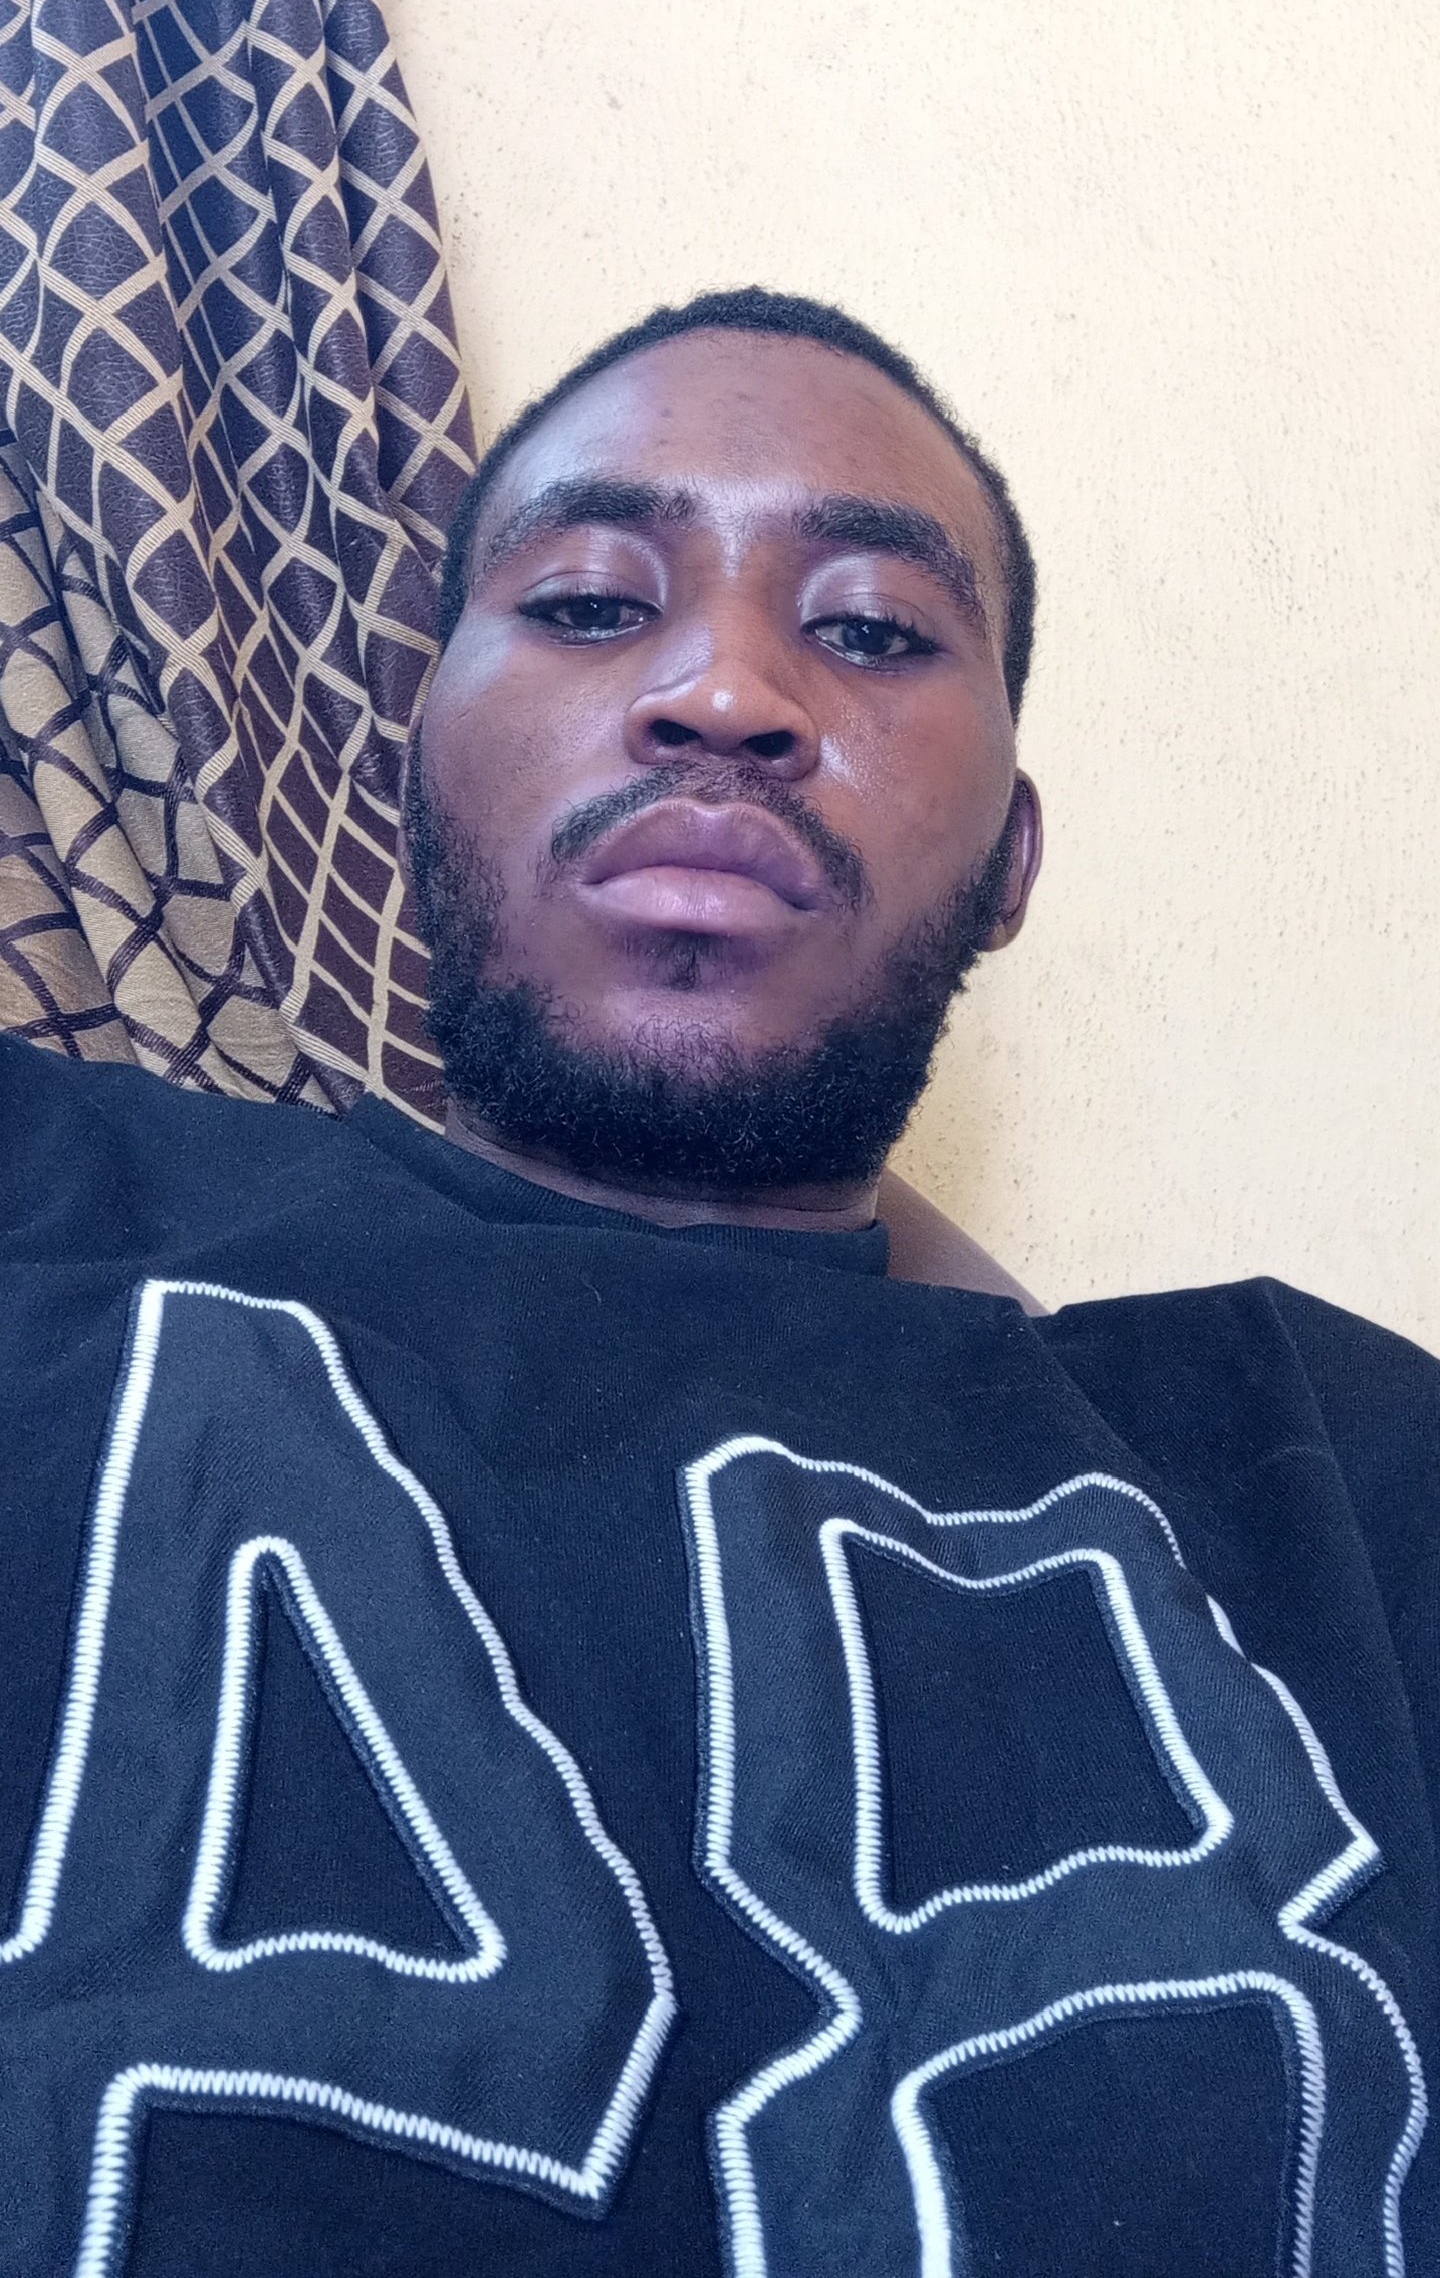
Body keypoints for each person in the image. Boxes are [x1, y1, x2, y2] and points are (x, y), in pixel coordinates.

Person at [0, 287, 1433, 2278]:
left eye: (872, 629)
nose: (726, 690)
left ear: (1012, 862)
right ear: (415, 766)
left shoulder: (1324, 1465)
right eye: (593, 602)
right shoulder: (59, 1198)